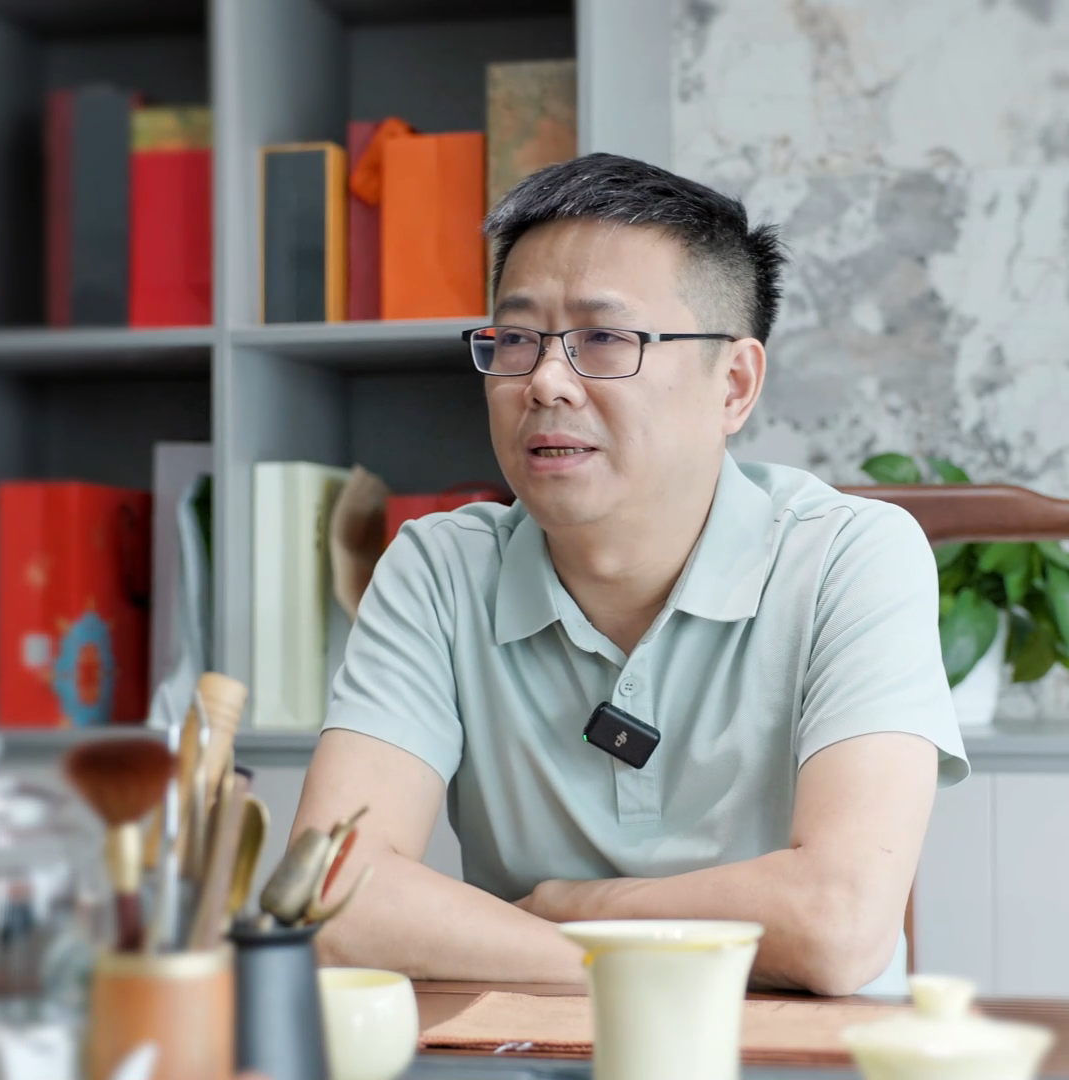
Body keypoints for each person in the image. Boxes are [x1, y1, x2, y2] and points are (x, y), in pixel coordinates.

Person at [293, 153, 967, 996]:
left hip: (797, 1049)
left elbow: (837, 924)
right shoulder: (439, 569)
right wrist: (619, 966)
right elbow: (331, 895)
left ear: (734, 384)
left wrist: (578, 904)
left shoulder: (850, 557)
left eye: (604, 340)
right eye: (517, 340)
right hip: (537, 1044)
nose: (545, 382)